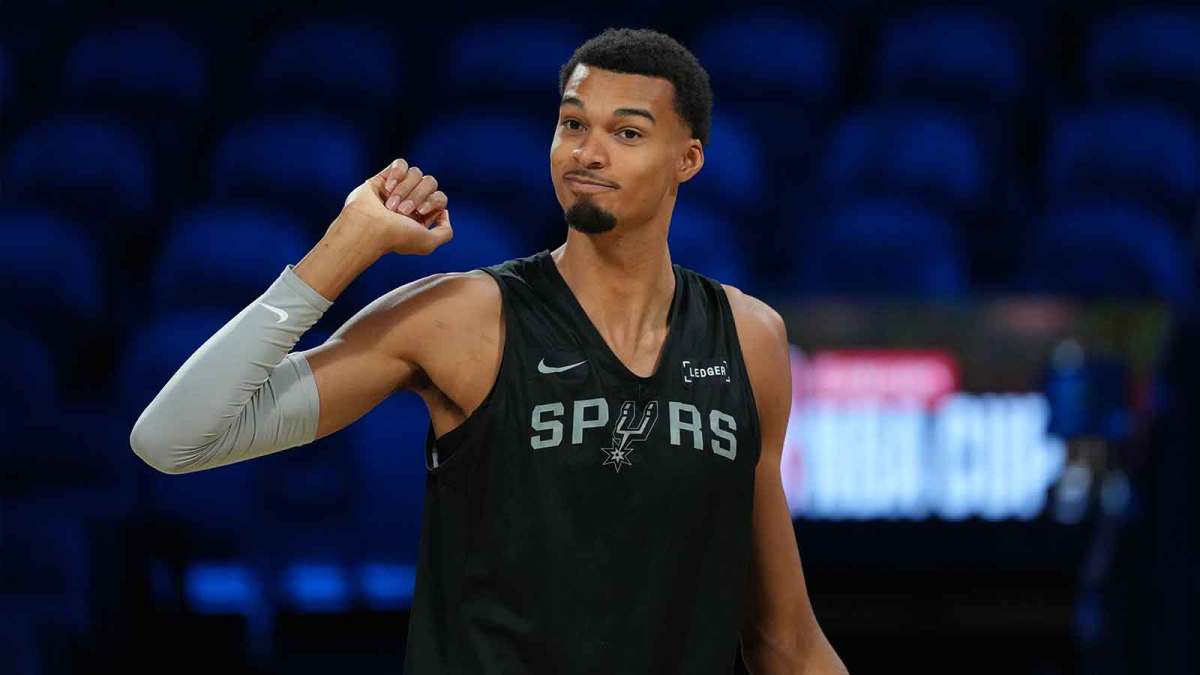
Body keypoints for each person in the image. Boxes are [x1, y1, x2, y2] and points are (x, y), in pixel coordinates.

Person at [130, 27, 847, 675]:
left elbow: (783, 637)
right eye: (572, 124)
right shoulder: (464, 318)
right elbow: (174, 439)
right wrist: (344, 248)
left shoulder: (748, 339)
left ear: (687, 158)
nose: (587, 152)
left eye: (627, 133)